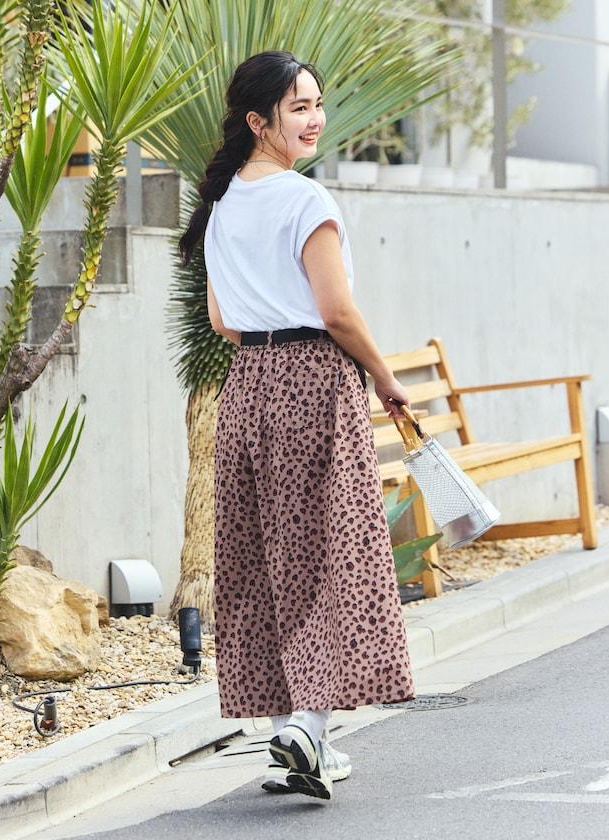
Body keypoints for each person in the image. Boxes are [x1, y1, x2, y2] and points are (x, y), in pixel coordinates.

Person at [178, 50, 415, 802]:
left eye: (316, 103)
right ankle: (309, 728)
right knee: (327, 555)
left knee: (259, 559)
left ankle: (290, 736)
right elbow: (337, 312)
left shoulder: (222, 206)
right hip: (314, 381)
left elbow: (222, 320)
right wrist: (385, 377)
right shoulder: (305, 200)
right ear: (260, 121)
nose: (315, 119)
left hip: (247, 384)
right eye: (299, 107)